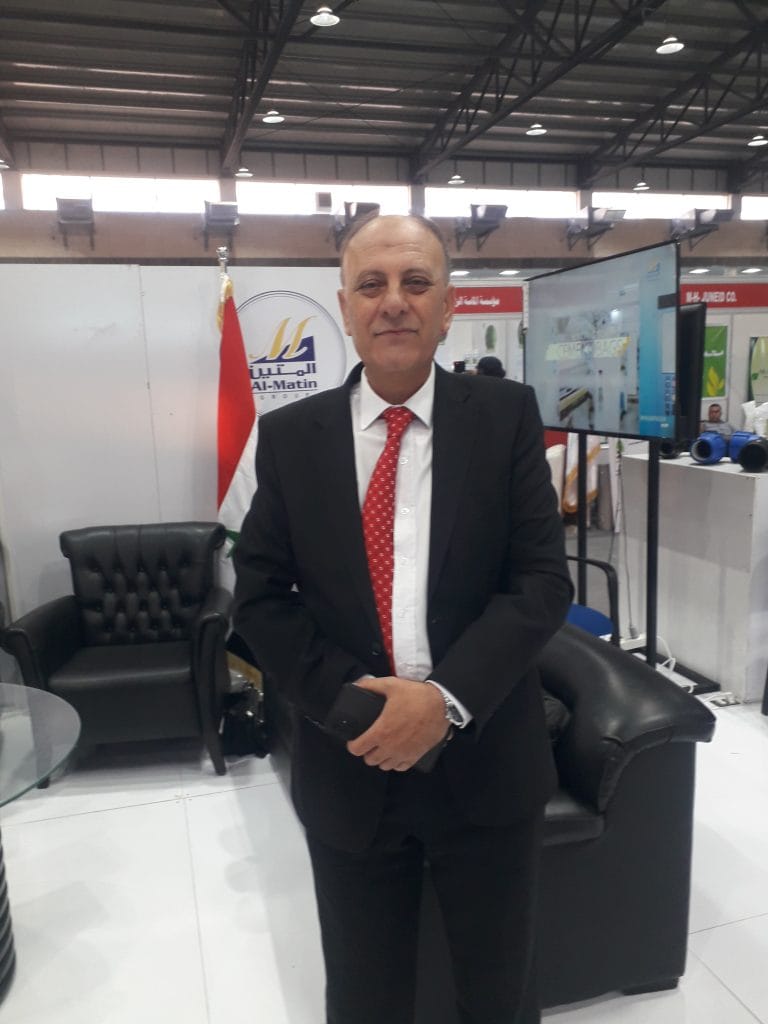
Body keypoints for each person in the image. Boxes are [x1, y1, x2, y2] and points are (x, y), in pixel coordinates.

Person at [233, 214, 573, 1024]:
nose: (394, 301)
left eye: (416, 283)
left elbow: (540, 583)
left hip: (488, 768)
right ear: (345, 308)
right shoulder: (289, 438)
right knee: (364, 999)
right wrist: (360, 708)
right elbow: (259, 597)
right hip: (351, 766)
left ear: (448, 307)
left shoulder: (506, 417)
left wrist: (443, 702)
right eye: (372, 285)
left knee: (499, 998)